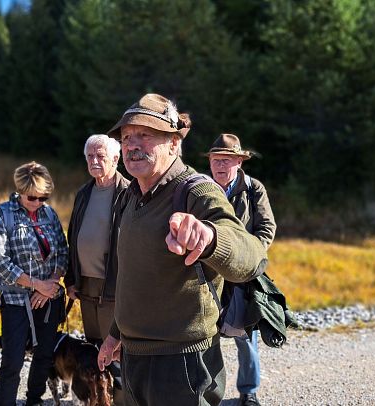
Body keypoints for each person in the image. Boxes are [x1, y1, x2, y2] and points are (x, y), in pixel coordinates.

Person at [96, 93, 268, 406]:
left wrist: (210, 237)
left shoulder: (196, 190)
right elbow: (136, 278)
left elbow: (252, 255)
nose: (133, 145)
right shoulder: (130, 196)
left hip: (182, 364)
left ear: (175, 143)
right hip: (134, 357)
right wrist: (115, 334)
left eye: (146, 135)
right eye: (126, 136)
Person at [0, 161, 68, 406]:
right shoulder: (3, 214)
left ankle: (34, 399)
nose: (38, 202)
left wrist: (50, 285)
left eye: (43, 197)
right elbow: (0, 262)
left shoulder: (50, 213)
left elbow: (63, 252)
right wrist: (36, 285)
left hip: (49, 296)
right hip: (16, 299)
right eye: (32, 197)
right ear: (20, 191)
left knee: (44, 355)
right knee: (12, 360)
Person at [206, 133, 276, 406]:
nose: (220, 166)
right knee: (205, 334)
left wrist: (248, 257)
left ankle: (249, 391)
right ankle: (208, 392)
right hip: (209, 274)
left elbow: (267, 228)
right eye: (215, 160)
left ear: (238, 162)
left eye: (226, 160)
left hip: (243, 274)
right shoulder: (201, 187)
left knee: (246, 337)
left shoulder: (253, 188)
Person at [65, 134, 129, 405]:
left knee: (117, 348)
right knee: (93, 347)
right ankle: (98, 399)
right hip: (86, 283)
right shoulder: (84, 192)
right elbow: (73, 236)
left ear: (116, 159)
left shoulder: (129, 191)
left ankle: (124, 400)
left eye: (100, 156)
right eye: (90, 156)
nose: (94, 161)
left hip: (114, 284)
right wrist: (71, 279)